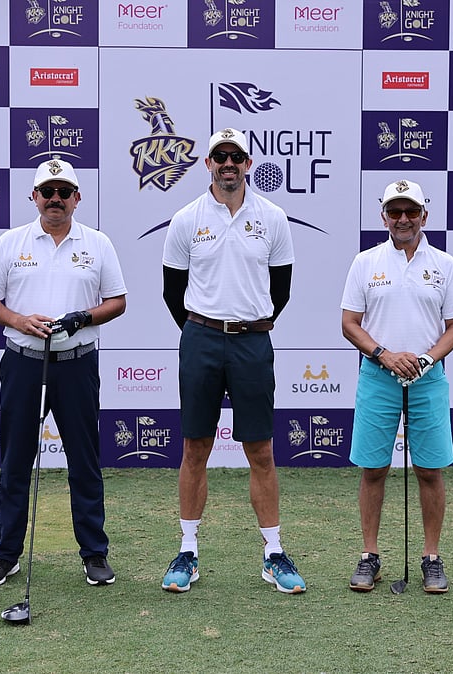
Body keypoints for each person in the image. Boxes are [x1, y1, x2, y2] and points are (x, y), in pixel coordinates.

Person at [160, 128, 304, 594]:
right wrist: (205, 331)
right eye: (219, 156)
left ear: (247, 163)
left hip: (252, 343)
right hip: (200, 338)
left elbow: (280, 290)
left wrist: (248, 325)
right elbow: (171, 290)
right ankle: (187, 551)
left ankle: (273, 553)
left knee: (260, 450)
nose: (227, 163)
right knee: (194, 447)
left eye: (235, 156)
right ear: (208, 164)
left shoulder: (274, 217)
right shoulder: (185, 218)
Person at [0, 157, 127, 588]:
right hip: (23, 362)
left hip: (76, 364)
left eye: (64, 192)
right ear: (34, 197)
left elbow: (117, 301)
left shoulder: (98, 243)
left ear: (77, 198)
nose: (55, 200)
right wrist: (20, 321)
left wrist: (84, 317)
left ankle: (94, 554)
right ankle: (6, 555)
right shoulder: (11, 242)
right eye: (48, 192)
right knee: (16, 460)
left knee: (85, 461)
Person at [339, 178, 453, 594]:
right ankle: (369, 555)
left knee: (429, 470)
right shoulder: (366, 262)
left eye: (411, 211)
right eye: (395, 212)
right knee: (374, 468)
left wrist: (427, 358)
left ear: (424, 216)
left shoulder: (444, 265)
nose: (403, 219)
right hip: (378, 375)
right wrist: (384, 354)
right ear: (384, 217)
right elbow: (349, 324)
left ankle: (431, 557)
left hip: (427, 377)